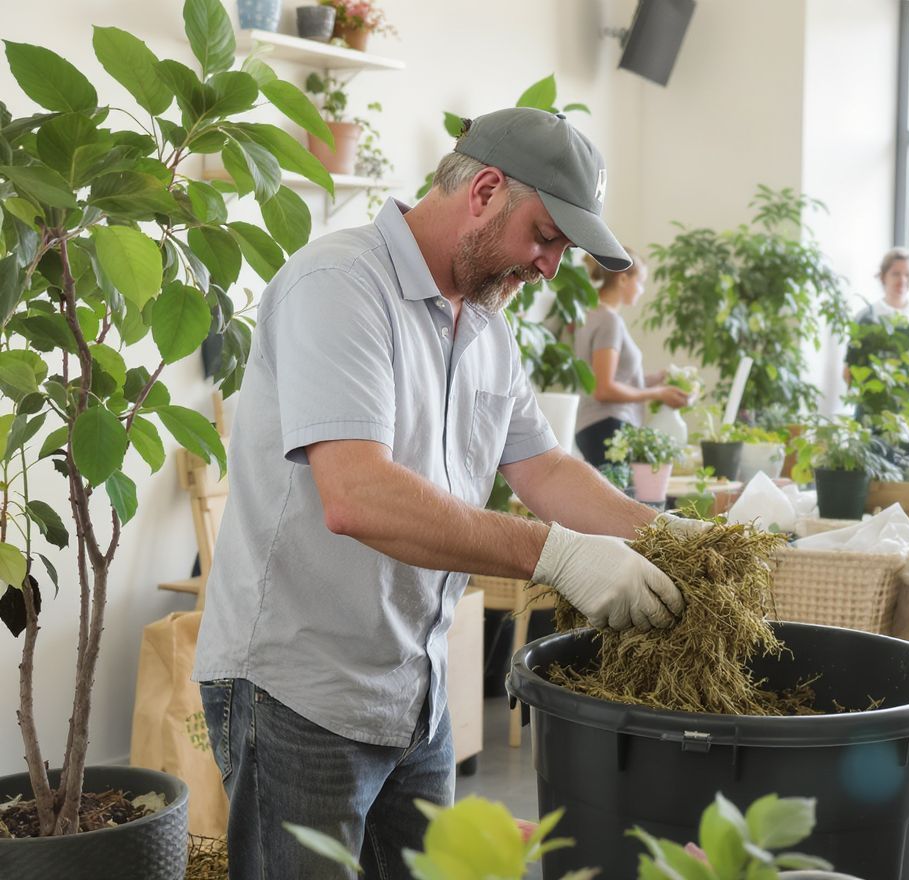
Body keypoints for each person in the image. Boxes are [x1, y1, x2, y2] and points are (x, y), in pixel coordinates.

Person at [192, 107, 706, 879]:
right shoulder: (340, 285)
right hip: (298, 692)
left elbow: (543, 469)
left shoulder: (488, 326)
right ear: (486, 189)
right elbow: (356, 494)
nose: (548, 268)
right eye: (544, 236)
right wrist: (557, 555)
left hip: (414, 691)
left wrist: (663, 535)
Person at [573, 248, 688, 467]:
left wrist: (657, 379)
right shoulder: (609, 321)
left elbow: (615, 377)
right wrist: (658, 393)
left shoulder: (591, 315)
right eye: (641, 281)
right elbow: (603, 389)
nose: (642, 290)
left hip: (594, 427)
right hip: (608, 427)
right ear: (623, 278)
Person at [844, 247, 909, 427]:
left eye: (907, 275)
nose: (902, 280)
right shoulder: (866, 317)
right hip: (872, 413)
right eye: (896, 274)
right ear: (883, 277)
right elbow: (849, 372)